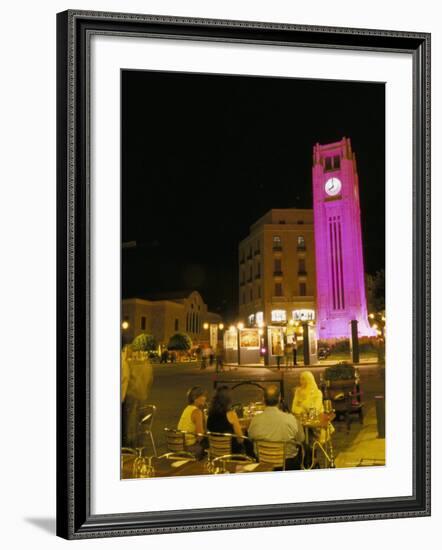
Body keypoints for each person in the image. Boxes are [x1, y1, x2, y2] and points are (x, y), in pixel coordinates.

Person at [248, 385, 304, 470]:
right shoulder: (290, 419)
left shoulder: (255, 420)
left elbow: (250, 437)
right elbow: (301, 439)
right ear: (279, 398)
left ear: (263, 399)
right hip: (288, 466)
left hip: (263, 465)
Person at [122, 349, 154, 447]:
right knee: (137, 420)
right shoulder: (148, 366)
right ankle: (137, 441)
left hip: (131, 396)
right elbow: (149, 381)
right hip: (142, 396)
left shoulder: (130, 365)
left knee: (130, 419)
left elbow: (126, 380)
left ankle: (130, 441)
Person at [206, 385, 245, 454]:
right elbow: (240, 439)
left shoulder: (210, 415)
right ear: (229, 399)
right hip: (231, 454)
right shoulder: (231, 414)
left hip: (215, 452)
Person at [177, 386, 207, 459]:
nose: (205, 398)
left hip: (179, 445)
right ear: (195, 399)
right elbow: (200, 436)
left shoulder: (187, 409)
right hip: (190, 447)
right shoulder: (197, 412)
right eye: (202, 396)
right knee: (214, 444)